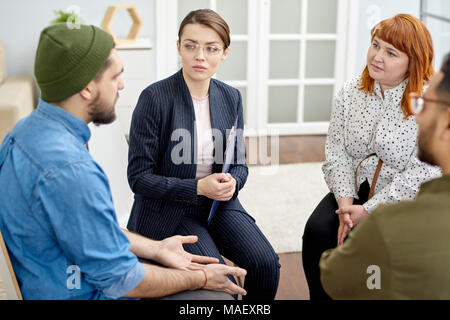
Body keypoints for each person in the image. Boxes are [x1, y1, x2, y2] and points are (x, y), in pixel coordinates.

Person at [0, 23, 247, 300]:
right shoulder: (71, 171)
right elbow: (124, 281)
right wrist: (200, 278)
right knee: (219, 299)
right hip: (88, 293)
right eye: (115, 76)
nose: (121, 85)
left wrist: (156, 249)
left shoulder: (20, 134)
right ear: (86, 88)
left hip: (49, 277)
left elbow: (90, 228)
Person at [126, 9, 280, 300]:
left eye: (211, 48)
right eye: (191, 45)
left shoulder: (230, 96)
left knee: (265, 264)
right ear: (178, 47)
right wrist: (198, 186)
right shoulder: (154, 98)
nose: (200, 56)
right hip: (169, 212)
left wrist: (234, 182)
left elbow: (239, 164)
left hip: (216, 206)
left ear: (224, 53)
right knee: (221, 281)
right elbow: (139, 178)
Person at [302, 14, 441, 300]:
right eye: (375, 45)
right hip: (354, 189)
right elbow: (336, 152)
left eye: (391, 52)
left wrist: (368, 210)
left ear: (413, 61)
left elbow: (421, 174)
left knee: (366, 251)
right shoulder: (350, 92)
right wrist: (345, 205)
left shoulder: (428, 104)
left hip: (403, 201)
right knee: (317, 231)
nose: (377, 56)